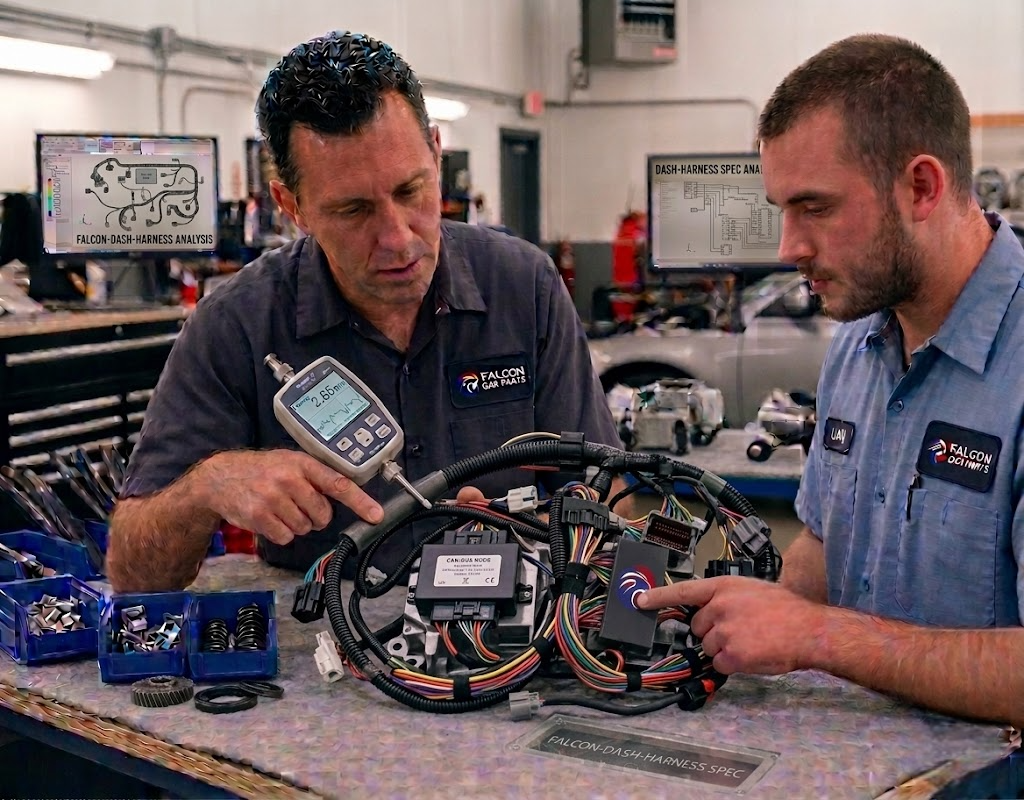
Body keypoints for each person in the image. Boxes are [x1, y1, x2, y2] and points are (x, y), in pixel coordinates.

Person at [106, 31, 619, 593]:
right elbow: (134, 574)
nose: (398, 240)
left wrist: (534, 532)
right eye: (353, 210)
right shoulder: (236, 326)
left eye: (411, 190)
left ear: (436, 152)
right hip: (323, 652)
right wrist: (206, 485)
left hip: (507, 634)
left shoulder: (524, 287)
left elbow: (608, 492)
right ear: (292, 206)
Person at [639, 33, 1024, 728]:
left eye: (814, 208)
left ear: (922, 187)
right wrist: (746, 613)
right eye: (781, 209)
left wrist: (816, 636)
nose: (789, 247)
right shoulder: (857, 340)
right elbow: (822, 541)